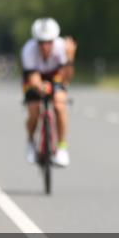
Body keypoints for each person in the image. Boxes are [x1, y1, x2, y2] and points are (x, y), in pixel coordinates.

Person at [21, 18, 77, 167]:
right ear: (36, 41)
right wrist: (40, 86)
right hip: (35, 76)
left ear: (54, 40)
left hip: (55, 76)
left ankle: (62, 148)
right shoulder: (28, 49)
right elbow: (32, 76)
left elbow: (67, 78)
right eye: (41, 42)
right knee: (34, 110)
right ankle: (31, 141)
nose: (45, 46)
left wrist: (70, 58)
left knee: (59, 105)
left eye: (49, 42)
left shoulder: (61, 47)